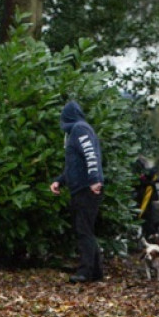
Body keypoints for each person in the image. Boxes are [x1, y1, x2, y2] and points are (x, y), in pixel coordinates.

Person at [50, 101, 104, 284]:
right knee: (86, 229)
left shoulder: (79, 130)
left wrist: (94, 179)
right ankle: (95, 270)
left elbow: (90, 155)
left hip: (85, 188)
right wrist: (60, 180)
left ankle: (85, 271)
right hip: (82, 187)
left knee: (83, 230)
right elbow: (74, 165)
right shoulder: (77, 130)